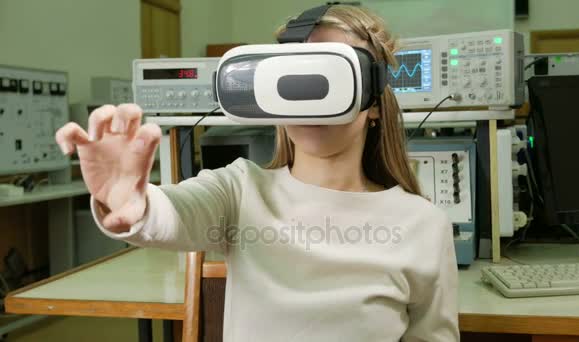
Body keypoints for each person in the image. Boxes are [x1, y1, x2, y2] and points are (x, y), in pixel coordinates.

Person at [55, 5, 459, 342]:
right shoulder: (240, 190)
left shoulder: (423, 224)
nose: (308, 93)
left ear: (372, 100)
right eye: (293, 75)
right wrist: (129, 203)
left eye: (329, 75)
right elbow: (172, 215)